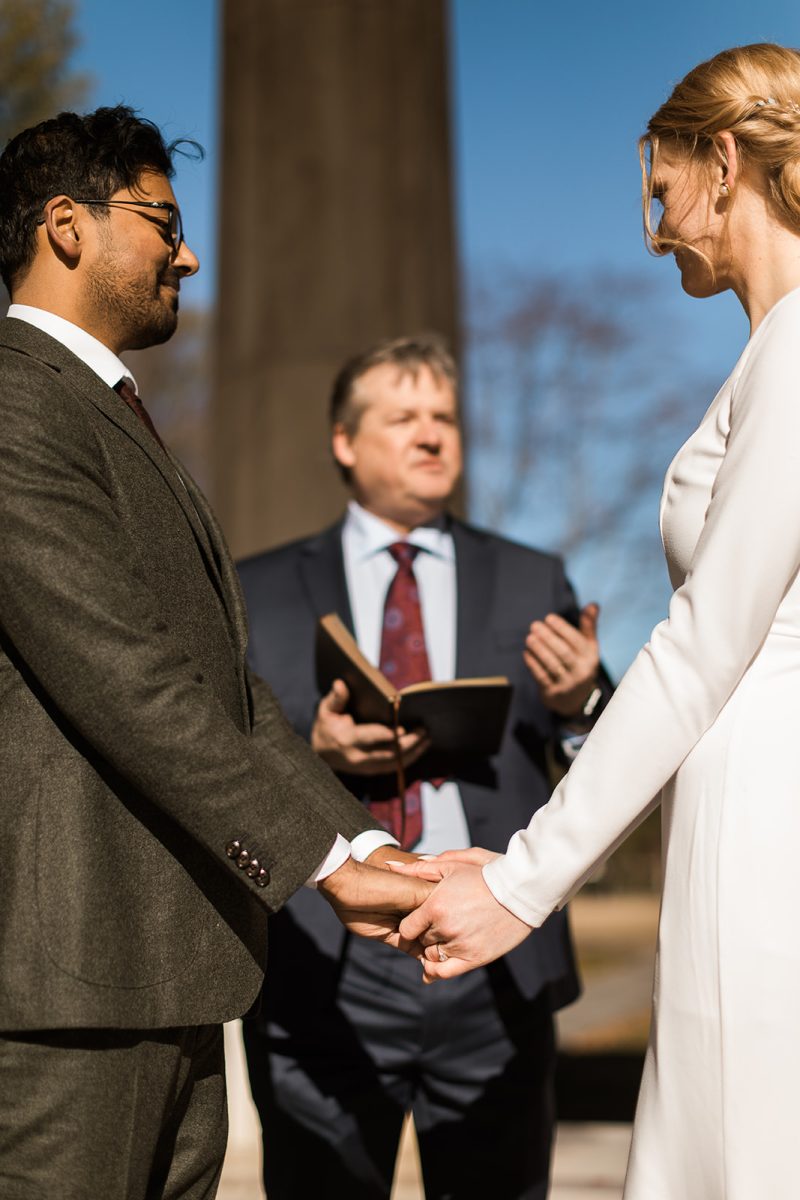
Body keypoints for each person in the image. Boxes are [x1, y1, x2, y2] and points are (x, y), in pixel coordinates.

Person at [392, 42, 800, 1200]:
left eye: (660, 190)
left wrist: (522, 883)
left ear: (724, 162)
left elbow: (705, 641)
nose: (653, 228)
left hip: (763, 841)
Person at [0, 106, 430, 1200]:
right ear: (67, 227)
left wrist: (353, 849)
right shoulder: (14, 404)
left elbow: (220, 692)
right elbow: (127, 679)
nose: (187, 254)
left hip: (169, 975)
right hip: (65, 990)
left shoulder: (105, 412)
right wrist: (329, 865)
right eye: (162, 222)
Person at [237, 334, 613, 1200]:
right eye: (403, 417)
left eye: (443, 417)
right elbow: (218, 749)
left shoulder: (530, 577)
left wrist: (580, 700)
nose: (432, 434)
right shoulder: (256, 588)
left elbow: (605, 742)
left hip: (497, 956)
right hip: (322, 963)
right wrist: (312, 753)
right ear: (345, 441)